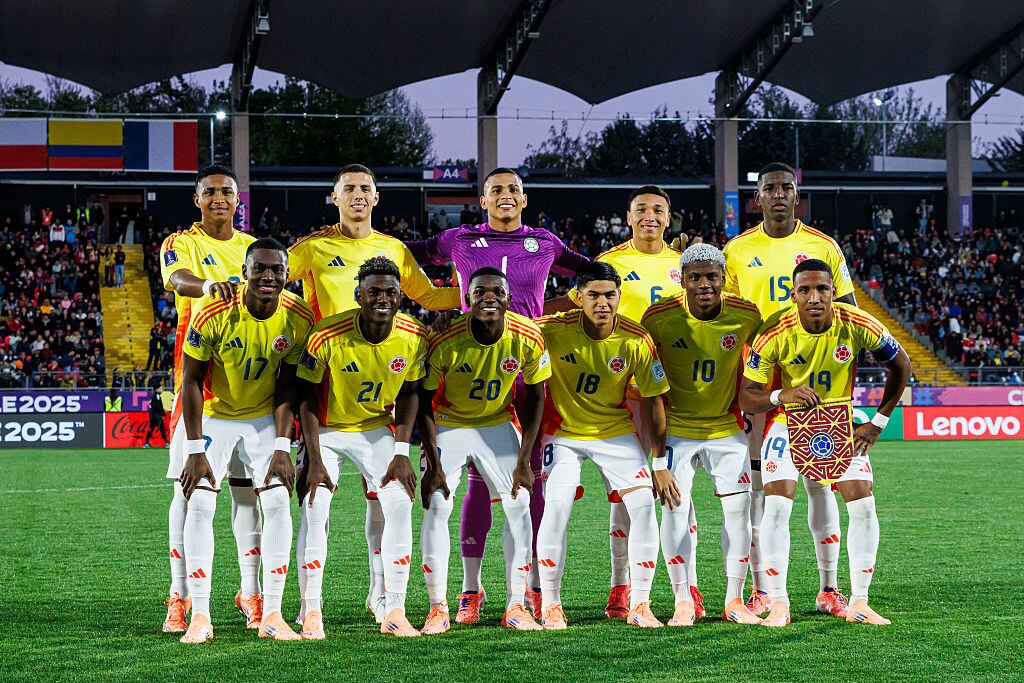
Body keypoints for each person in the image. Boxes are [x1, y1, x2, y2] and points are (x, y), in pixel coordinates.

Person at [407, 167, 588, 622]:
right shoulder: (460, 239)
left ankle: (533, 587)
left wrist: (559, 309)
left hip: (528, 363)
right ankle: (471, 590)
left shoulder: (545, 242)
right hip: (474, 361)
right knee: (475, 479)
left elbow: (591, 274)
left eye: (513, 190)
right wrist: (438, 301)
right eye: (496, 190)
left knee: (530, 477)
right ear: (483, 200)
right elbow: (408, 254)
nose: (505, 196)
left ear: (524, 199)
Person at [288, 164, 460, 623]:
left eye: (365, 187)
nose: (358, 194)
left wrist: (483, 294)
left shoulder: (394, 250)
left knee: (385, 503)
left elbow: (431, 297)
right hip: (327, 388)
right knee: (317, 504)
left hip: (378, 399)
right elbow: (267, 277)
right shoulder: (313, 247)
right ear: (335, 197)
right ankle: (309, 608)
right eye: (349, 188)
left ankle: (383, 597)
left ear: (377, 197)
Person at [551, 184, 701, 618]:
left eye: (658, 209)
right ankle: (622, 587)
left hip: (679, 390)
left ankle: (687, 587)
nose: (650, 216)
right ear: (629, 216)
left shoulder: (685, 264)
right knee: (625, 493)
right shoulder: (611, 263)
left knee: (679, 490)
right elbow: (571, 308)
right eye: (641, 209)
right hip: (627, 391)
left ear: (669, 217)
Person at [740, 258, 911, 627]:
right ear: (793, 294)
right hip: (789, 422)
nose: (814, 297)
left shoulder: (858, 322)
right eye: (805, 290)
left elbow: (902, 365)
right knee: (776, 505)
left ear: (835, 291)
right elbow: (747, 397)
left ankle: (860, 601)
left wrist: (877, 423)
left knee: (863, 502)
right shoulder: (774, 331)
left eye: (822, 289)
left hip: (840, 421)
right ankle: (779, 602)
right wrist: (781, 395)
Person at [722, 162, 858, 618]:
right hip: (759, 376)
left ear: (797, 196)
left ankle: (829, 588)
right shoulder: (737, 251)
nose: (778, 194)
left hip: (814, 375)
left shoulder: (823, 246)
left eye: (786, 188)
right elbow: (728, 315)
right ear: (757, 198)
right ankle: (762, 589)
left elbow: (850, 314)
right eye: (770, 188)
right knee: (759, 486)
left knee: (821, 481)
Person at [177, 238, 314, 643]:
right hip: (215, 414)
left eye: (277, 270)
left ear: (287, 275)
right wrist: (195, 449)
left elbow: (288, 386)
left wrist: (282, 446)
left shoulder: (298, 317)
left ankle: (272, 613)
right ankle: (200, 615)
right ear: (245, 272)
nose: (268, 276)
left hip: (262, 417)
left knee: (277, 500)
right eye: (260, 269)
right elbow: (191, 380)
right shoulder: (214, 310)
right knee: (200, 501)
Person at [295, 256, 427, 639]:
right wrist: (313, 458)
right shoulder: (325, 334)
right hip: (327, 429)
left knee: (399, 501)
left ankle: (394, 608)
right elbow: (305, 398)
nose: (383, 298)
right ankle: (311, 608)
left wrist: (401, 452)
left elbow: (411, 394)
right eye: (374, 291)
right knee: (315, 505)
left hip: (375, 428)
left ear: (401, 296)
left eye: (390, 291)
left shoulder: (414, 336)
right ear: (359, 295)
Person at [158, 165, 264, 634]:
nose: (219, 198)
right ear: (197, 199)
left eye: (227, 192)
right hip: (199, 380)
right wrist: (208, 286)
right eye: (211, 192)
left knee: (247, 493)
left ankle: (250, 592)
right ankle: (179, 595)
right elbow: (178, 279)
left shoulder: (252, 247)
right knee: (188, 490)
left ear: (238, 199)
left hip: (251, 383)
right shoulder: (181, 241)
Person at [535, 261, 668, 630]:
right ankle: (551, 603)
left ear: (619, 297)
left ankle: (640, 603)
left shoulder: (636, 338)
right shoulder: (551, 329)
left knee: (643, 505)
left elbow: (655, 399)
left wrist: (659, 462)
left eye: (610, 295)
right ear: (578, 298)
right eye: (593, 295)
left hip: (615, 430)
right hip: (562, 433)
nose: (602, 302)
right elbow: (510, 330)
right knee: (557, 505)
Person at [417, 267, 550, 633]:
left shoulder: (527, 336)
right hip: (449, 421)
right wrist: (432, 462)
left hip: (496, 421)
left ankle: (515, 604)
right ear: (467, 299)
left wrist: (524, 460)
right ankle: (438, 607)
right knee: (438, 504)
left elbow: (537, 398)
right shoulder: (445, 339)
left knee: (519, 502)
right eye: (480, 291)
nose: (489, 297)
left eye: (497, 291)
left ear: (509, 299)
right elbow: (424, 401)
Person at [643, 243, 763, 626]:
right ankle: (683, 599)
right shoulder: (658, 318)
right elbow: (646, 382)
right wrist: (656, 458)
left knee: (739, 513)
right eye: (695, 277)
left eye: (712, 276)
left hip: (726, 427)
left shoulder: (747, 315)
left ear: (724, 278)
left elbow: (768, 355)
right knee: (674, 510)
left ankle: (734, 599)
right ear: (682, 280)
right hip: (676, 429)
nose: (704, 284)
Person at [145, 383, 169, 447]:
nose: (162, 389)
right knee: (161, 429)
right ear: (156, 389)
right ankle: (167, 443)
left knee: (151, 429)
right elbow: (156, 406)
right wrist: (163, 411)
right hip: (156, 416)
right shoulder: (157, 396)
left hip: (153, 415)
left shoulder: (153, 396)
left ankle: (146, 443)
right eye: (160, 388)